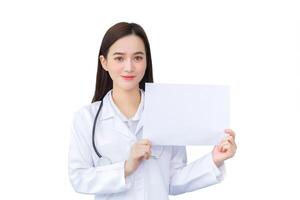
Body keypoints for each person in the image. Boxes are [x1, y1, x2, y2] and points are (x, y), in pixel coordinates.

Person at [68, 22, 237, 200]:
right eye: (119, 58)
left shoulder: (166, 112)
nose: (129, 67)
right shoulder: (86, 118)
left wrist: (214, 159)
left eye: (138, 58)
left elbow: (173, 179)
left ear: (146, 61)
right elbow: (78, 178)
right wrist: (127, 167)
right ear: (104, 62)